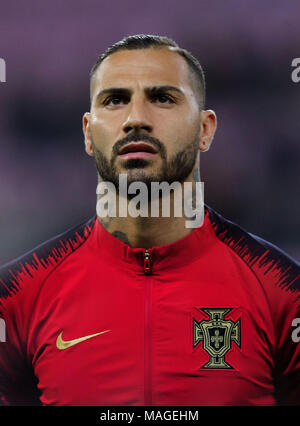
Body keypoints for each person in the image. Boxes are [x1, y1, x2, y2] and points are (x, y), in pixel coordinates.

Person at [0, 34, 299, 406]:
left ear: (205, 129)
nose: (136, 119)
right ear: (88, 133)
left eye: (163, 98)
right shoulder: (15, 298)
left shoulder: (284, 294)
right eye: (115, 100)